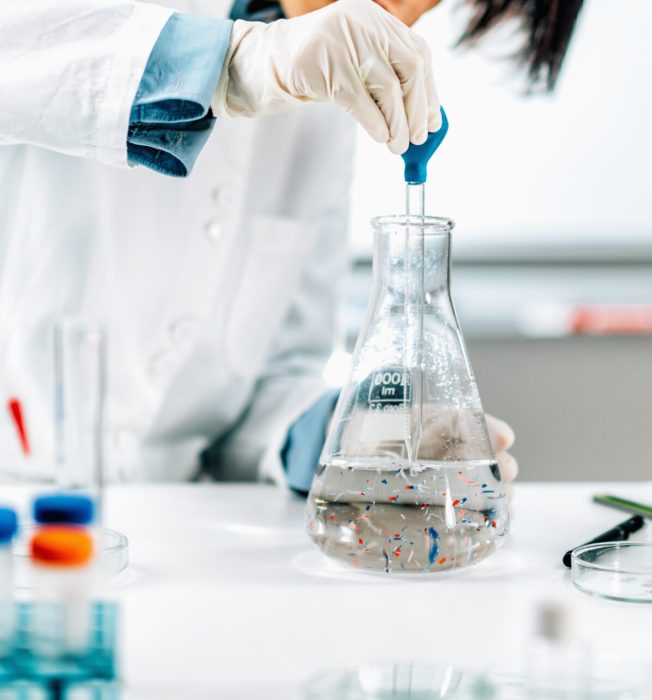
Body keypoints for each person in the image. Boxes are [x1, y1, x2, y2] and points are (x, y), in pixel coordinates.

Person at [0, 0, 583, 491]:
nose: (398, 14)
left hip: (171, 540)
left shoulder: (320, 111)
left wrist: (337, 438)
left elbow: (276, 379)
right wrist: (231, 63)